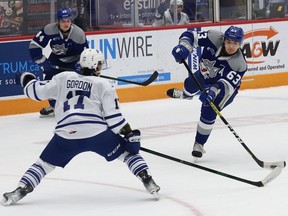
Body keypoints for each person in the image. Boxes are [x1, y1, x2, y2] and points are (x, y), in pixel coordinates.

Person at [1, 49, 160, 206]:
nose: (100, 68)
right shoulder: (103, 84)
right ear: (94, 66)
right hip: (97, 133)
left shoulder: (63, 78)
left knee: (42, 165)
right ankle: (147, 179)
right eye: (99, 65)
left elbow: (36, 92)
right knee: (128, 154)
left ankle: (21, 190)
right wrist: (129, 135)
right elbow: (115, 120)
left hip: (66, 135)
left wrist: (25, 78)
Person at [167, 26, 247, 160]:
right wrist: (185, 47)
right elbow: (191, 35)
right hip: (205, 75)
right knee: (190, 84)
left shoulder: (239, 64)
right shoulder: (213, 37)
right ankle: (186, 95)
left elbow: (226, 85)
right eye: (229, 42)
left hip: (224, 90)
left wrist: (212, 92)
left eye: (235, 43)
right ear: (224, 40)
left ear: (240, 44)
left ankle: (199, 143)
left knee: (208, 110)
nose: (231, 46)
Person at [29, 7, 89, 118]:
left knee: (80, 81)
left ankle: (80, 105)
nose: (66, 24)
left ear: (71, 21)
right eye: (63, 21)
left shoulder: (79, 34)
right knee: (49, 80)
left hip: (74, 59)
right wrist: (42, 62)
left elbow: (86, 54)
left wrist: (81, 65)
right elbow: (34, 45)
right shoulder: (49, 29)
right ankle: (53, 106)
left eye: (68, 21)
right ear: (58, 21)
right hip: (56, 58)